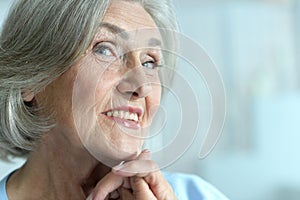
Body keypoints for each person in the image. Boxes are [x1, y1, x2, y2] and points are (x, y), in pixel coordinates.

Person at [0, 0, 229, 199]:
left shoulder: (196, 194)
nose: (142, 86)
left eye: (149, 62)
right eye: (104, 50)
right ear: (30, 80)